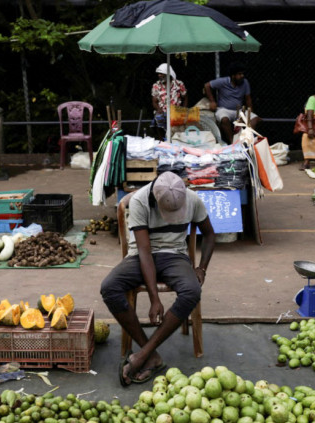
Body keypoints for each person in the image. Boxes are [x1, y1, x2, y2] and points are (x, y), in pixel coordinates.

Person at [100, 171, 215, 386]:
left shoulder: (192, 199)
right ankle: (150, 354)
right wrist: (155, 298)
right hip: (141, 256)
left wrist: (202, 268)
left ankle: (143, 355)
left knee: (192, 291)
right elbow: (144, 251)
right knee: (110, 287)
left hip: (175, 256)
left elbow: (209, 234)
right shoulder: (140, 201)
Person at [204, 62, 260, 144]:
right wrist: (212, 101)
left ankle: (247, 141)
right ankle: (233, 142)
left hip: (239, 110)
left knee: (255, 119)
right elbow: (207, 86)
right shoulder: (223, 81)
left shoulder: (245, 83)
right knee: (224, 119)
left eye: (243, 74)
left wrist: (249, 113)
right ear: (233, 75)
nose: (242, 76)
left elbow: (248, 99)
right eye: (239, 74)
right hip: (224, 109)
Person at [151, 63, 188, 140]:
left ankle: (175, 139)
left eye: (161, 73)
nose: (159, 75)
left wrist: (184, 109)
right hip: (162, 111)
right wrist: (158, 109)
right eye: (158, 74)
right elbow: (154, 101)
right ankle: (162, 140)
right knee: (158, 118)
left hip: (176, 110)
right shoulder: (156, 85)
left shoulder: (178, 84)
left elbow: (185, 97)